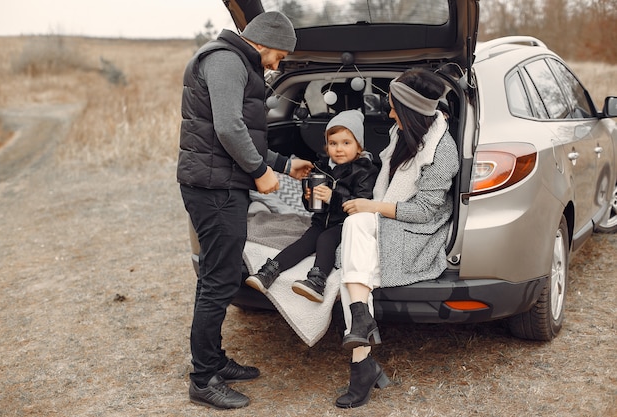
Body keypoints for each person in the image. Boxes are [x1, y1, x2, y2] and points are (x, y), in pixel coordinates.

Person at [176, 12, 312, 410]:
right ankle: (203, 379)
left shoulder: (236, 61)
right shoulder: (224, 60)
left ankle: (213, 360)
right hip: (213, 187)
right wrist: (260, 172)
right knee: (218, 281)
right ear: (267, 41)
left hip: (222, 181)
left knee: (219, 275)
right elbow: (229, 129)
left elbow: (240, 137)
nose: (279, 64)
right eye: (281, 55)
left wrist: (284, 166)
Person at [335, 69, 459, 408]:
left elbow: (423, 212)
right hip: (390, 217)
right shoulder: (399, 133)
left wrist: (371, 206)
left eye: (393, 108)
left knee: (353, 256)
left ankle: (363, 355)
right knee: (355, 233)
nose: (389, 113)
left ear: (410, 112)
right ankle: (361, 339)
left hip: (420, 230)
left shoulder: (442, 151)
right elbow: (382, 185)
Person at [245, 110, 379, 302]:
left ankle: (317, 282)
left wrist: (333, 197)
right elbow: (313, 208)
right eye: (333, 143)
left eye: (346, 143)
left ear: (359, 147)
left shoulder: (364, 170)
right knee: (306, 240)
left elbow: (360, 203)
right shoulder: (321, 167)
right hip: (321, 221)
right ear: (326, 146)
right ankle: (269, 271)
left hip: (346, 225)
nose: (339, 149)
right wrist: (308, 197)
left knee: (325, 239)